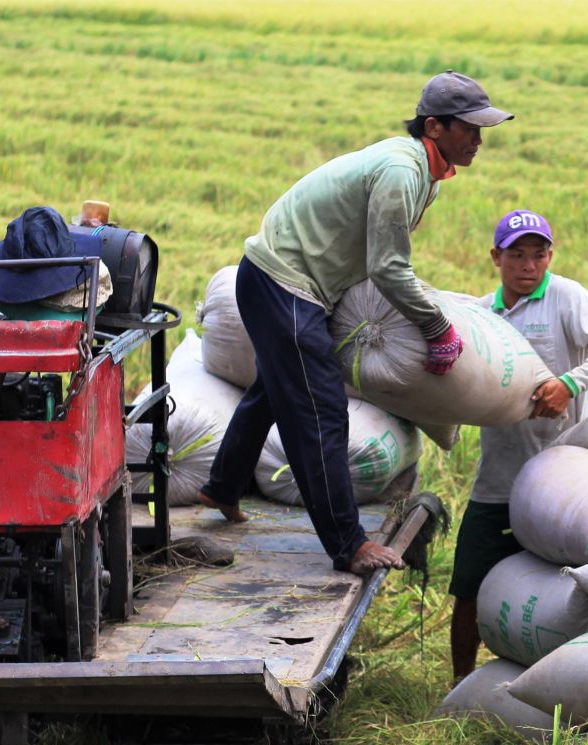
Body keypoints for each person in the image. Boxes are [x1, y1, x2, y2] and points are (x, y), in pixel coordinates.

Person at [197, 72, 513, 576]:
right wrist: (435, 327)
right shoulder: (402, 171)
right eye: (470, 129)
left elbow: (377, 257)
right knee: (320, 411)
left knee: (276, 390)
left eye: (483, 129)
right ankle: (348, 543)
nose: (479, 139)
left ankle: (222, 485)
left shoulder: (419, 168)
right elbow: (389, 267)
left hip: (285, 280)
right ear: (434, 127)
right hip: (285, 285)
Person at [448, 209, 588, 682]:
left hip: (562, 480)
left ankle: (563, 682)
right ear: (496, 258)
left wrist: (570, 383)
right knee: (468, 586)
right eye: (517, 255)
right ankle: (460, 685)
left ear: (550, 257)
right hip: (499, 479)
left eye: (539, 254)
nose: (529, 265)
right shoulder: (481, 316)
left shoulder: (566, 297)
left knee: (566, 590)